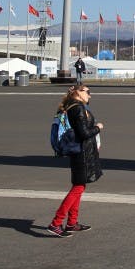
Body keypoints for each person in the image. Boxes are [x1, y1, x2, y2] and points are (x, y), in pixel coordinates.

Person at [47, 85, 103, 237]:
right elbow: (84, 133)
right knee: (78, 188)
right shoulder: (77, 108)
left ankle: (72, 223)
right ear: (78, 92)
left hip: (80, 152)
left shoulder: (73, 107)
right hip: (81, 154)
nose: (90, 96)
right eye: (88, 92)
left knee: (80, 186)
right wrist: (98, 127)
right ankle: (56, 223)